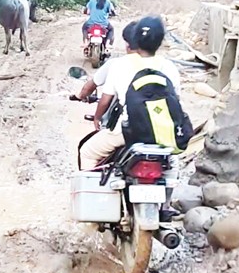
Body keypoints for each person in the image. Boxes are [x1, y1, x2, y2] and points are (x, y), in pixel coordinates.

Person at [78, 15, 182, 220]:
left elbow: (106, 99)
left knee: (88, 151)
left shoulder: (119, 65)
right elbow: (176, 103)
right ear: (160, 42)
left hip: (127, 131)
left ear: (132, 40)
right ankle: (165, 205)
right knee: (172, 163)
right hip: (161, 133)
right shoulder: (170, 67)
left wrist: (97, 119)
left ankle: (95, 206)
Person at [75, 20, 139, 102]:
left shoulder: (115, 64)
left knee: (84, 27)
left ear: (127, 44)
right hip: (155, 111)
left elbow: (104, 100)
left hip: (125, 112)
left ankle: (86, 42)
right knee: (111, 29)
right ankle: (107, 43)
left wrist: (97, 115)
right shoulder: (160, 63)